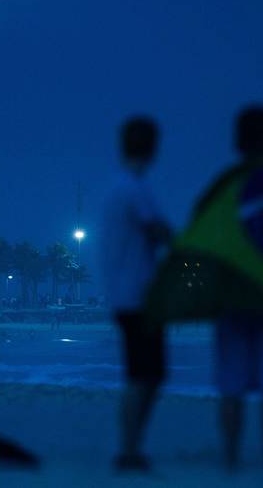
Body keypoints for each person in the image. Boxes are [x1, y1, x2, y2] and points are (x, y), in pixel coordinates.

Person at [206, 105, 263, 470]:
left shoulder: (224, 185)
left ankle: (230, 461)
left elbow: (203, 241)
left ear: (236, 139)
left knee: (231, 388)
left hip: (232, 302)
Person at [98, 115, 172, 471]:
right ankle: (128, 449)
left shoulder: (117, 188)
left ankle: (130, 447)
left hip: (123, 296)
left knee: (143, 375)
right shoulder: (134, 189)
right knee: (147, 375)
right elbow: (159, 230)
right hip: (139, 297)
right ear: (153, 148)